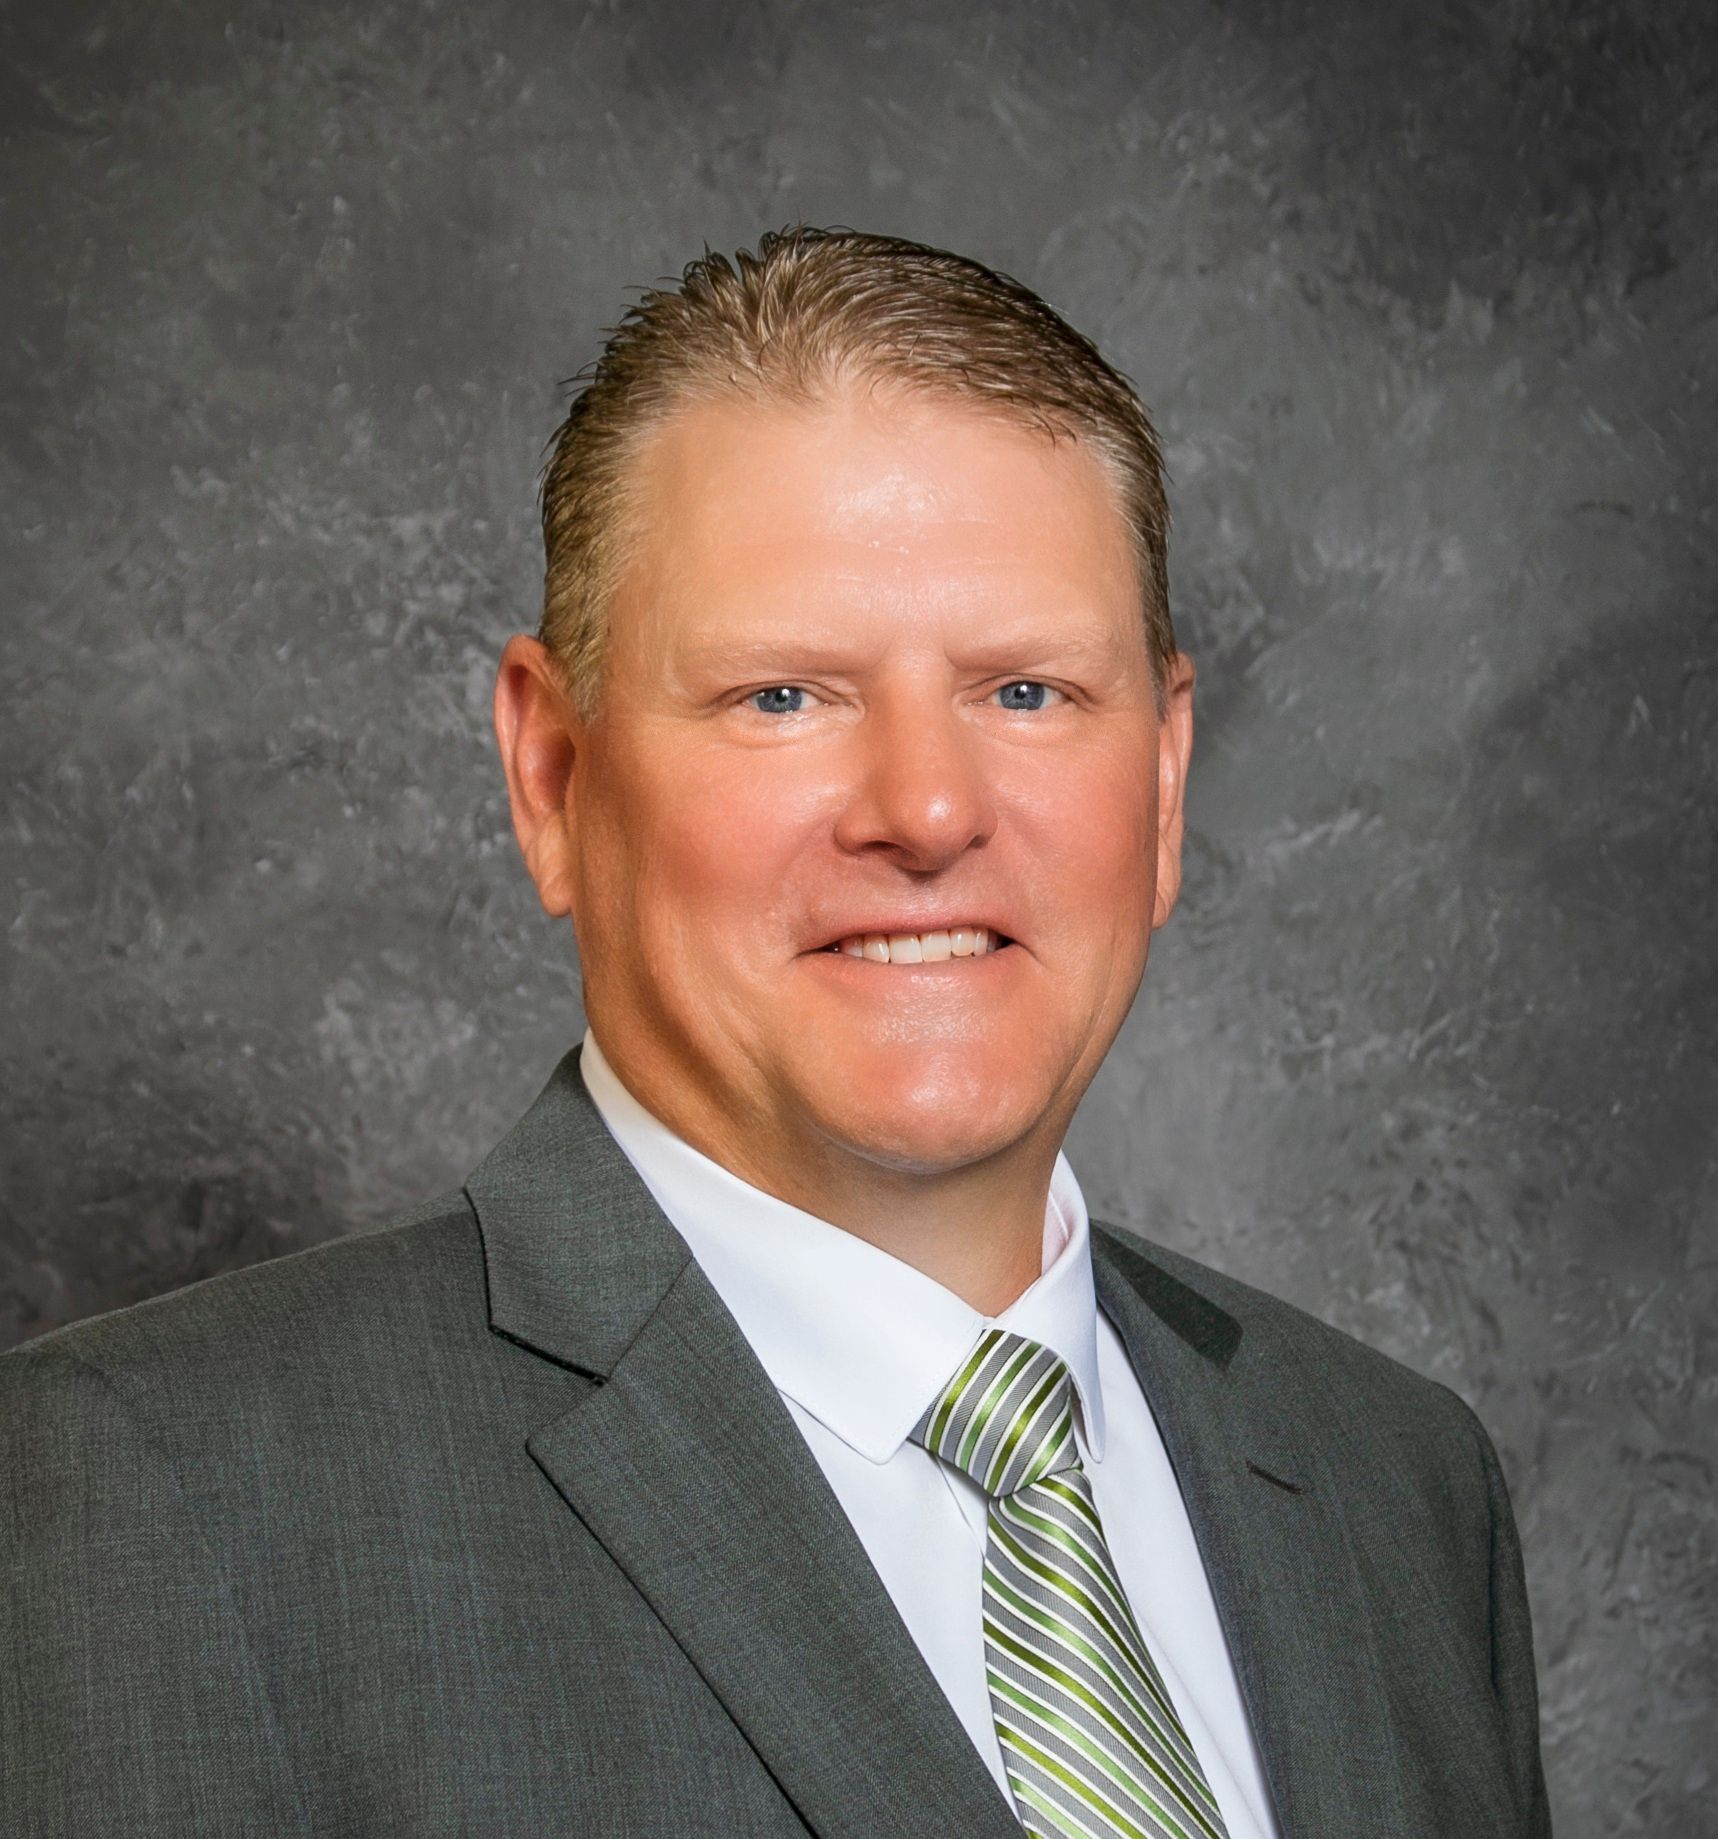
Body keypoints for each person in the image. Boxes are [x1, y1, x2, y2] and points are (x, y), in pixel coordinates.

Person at [0, 227, 1551, 1839]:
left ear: (1160, 784)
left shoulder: (1395, 1484)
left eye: (1025, 692)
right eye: (782, 697)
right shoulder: (154, 1499)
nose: (929, 811)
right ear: (552, 777)